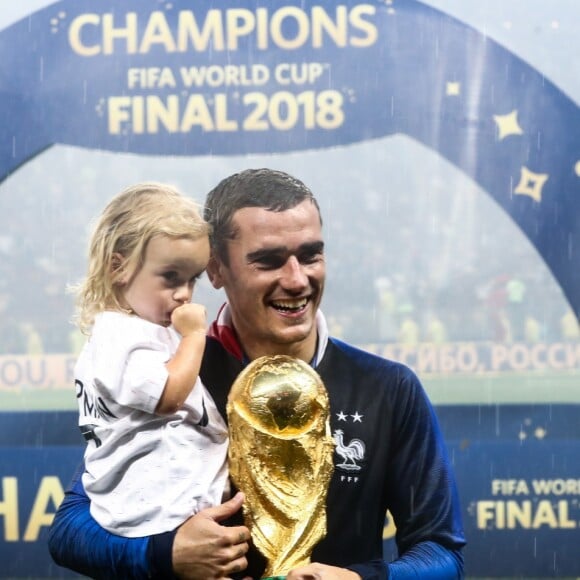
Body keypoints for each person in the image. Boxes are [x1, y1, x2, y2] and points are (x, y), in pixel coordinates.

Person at [49, 169, 465, 579]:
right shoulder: (172, 377)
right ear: (214, 270)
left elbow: (441, 553)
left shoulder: (387, 387)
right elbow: (69, 530)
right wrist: (163, 553)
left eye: (310, 255)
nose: (297, 279)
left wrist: (359, 579)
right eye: (268, 261)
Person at [70, 182, 229, 538]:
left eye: (192, 279)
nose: (184, 293)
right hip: (160, 516)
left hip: (166, 511)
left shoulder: (136, 329)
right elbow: (168, 396)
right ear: (118, 268)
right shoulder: (121, 335)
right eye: (170, 277)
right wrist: (192, 337)